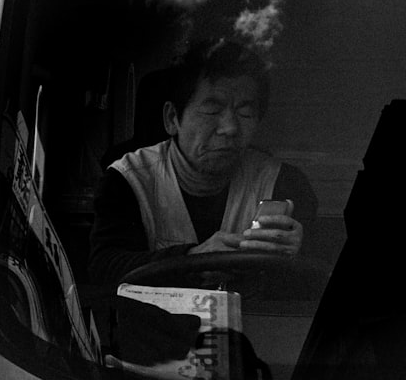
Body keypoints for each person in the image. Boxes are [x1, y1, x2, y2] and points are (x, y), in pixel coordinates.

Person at [88, 40, 318, 285]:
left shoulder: (285, 183)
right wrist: (191, 259)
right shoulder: (127, 180)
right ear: (172, 118)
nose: (230, 128)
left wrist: (297, 254)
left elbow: (319, 283)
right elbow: (104, 269)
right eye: (212, 110)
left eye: (245, 112)